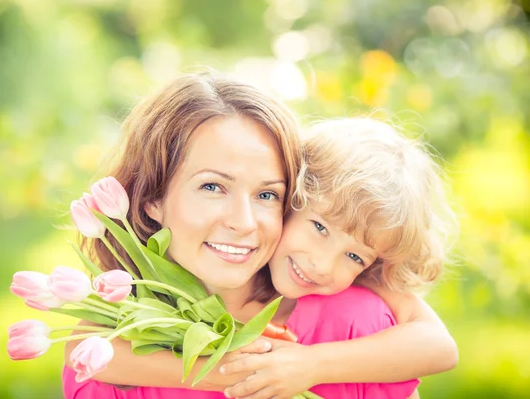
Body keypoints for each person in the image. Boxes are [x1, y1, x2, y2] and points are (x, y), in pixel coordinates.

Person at [62, 72, 456, 398]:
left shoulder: (355, 318)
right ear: (151, 198)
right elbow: (83, 346)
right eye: (212, 186)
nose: (244, 222)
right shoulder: (118, 338)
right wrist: (229, 372)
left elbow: (438, 346)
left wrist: (311, 365)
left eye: (267, 194)